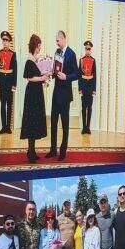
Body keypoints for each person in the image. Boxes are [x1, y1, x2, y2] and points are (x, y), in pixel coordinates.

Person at [20, 34, 49, 164]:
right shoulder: (29, 60)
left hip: (37, 93)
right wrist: (42, 78)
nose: (40, 47)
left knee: (35, 122)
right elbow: (28, 77)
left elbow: (38, 73)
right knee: (31, 122)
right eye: (39, 45)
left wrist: (45, 76)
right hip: (32, 93)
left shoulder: (35, 59)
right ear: (36, 45)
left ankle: (32, 151)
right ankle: (30, 152)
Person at [48, 31, 77, 160]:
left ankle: (63, 150)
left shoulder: (72, 54)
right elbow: (55, 70)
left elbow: (77, 74)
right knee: (53, 123)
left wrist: (67, 77)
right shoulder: (57, 52)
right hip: (56, 94)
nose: (56, 43)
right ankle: (53, 150)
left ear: (63, 39)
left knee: (65, 125)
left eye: (57, 40)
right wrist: (49, 70)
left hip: (65, 95)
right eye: (56, 41)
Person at [79, 40, 99, 134]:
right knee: (83, 107)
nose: (87, 51)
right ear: (85, 49)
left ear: (91, 50)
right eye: (86, 49)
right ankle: (84, 127)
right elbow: (79, 75)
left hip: (90, 86)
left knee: (89, 108)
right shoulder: (81, 60)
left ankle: (88, 127)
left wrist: (94, 89)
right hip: (83, 86)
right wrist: (80, 88)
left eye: (89, 49)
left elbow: (95, 75)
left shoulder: (93, 60)